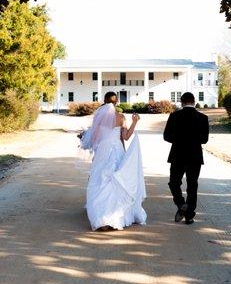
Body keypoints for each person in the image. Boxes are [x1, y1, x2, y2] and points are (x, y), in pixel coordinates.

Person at [81, 92, 147, 231]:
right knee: (118, 180)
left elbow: (94, 138)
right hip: (117, 149)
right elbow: (127, 137)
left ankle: (101, 217)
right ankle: (116, 216)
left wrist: (84, 137)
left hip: (103, 151)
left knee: (100, 180)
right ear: (116, 102)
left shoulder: (99, 117)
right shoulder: (121, 117)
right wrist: (135, 122)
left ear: (104, 101)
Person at [163, 92, 209, 224]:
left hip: (178, 155)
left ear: (182, 102)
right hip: (195, 156)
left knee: (174, 183)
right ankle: (189, 216)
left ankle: (181, 204)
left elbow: (166, 136)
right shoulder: (203, 118)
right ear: (194, 102)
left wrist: (178, 140)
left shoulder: (174, 116)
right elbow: (204, 140)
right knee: (192, 185)